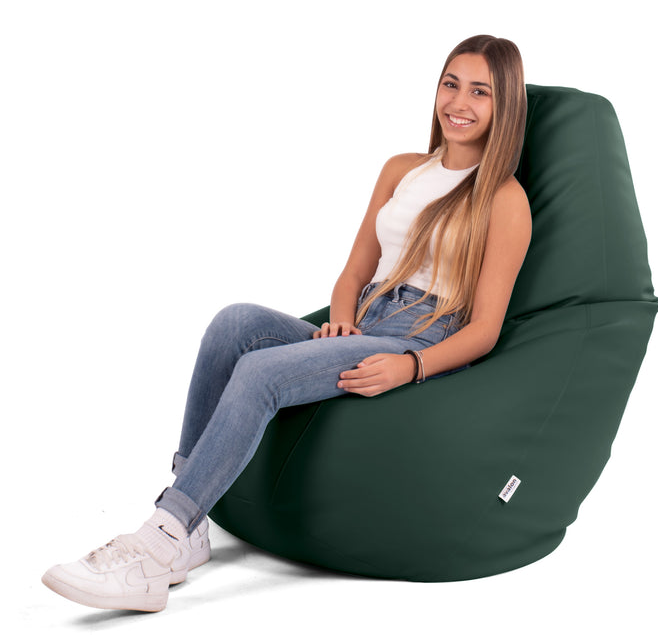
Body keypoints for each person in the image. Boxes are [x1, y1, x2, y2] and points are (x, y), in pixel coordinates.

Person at [42, 34, 532, 611]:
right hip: (365, 317)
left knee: (261, 373)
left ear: (505, 105)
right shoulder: (402, 169)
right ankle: (187, 525)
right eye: (451, 84)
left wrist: (411, 367)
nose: (459, 102)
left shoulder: (504, 199)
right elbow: (354, 272)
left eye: (480, 92)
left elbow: (485, 330)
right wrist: (342, 321)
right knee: (234, 324)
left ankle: (158, 544)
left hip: (420, 336)